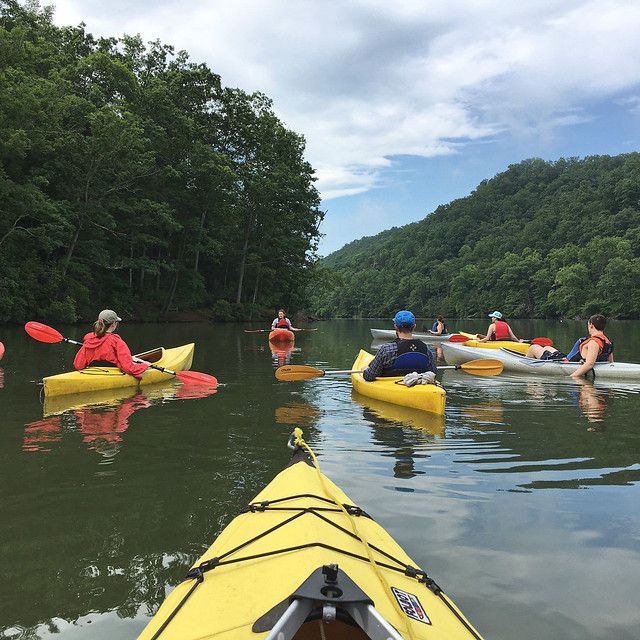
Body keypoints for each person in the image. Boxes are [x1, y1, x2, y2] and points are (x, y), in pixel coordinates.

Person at [526, 314, 613, 378]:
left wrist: (572, 376)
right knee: (547, 348)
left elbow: (589, 364)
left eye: (588, 325)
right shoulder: (607, 342)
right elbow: (610, 362)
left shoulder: (593, 342)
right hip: (566, 358)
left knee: (533, 348)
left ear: (591, 325)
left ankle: (525, 368)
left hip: (566, 363)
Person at [362, 310, 437, 381]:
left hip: (391, 389)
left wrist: (365, 370)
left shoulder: (386, 349)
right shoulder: (425, 348)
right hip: (419, 388)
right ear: (414, 326)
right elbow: (434, 372)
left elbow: (369, 376)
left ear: (395, 327)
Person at [73, 309, 149, 379]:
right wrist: (145, 366)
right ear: (114, 324)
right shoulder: (117, 342)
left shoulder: (89, 340)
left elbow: (78, 365)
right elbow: (129, 368)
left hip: (92, 373)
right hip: (112, 374)